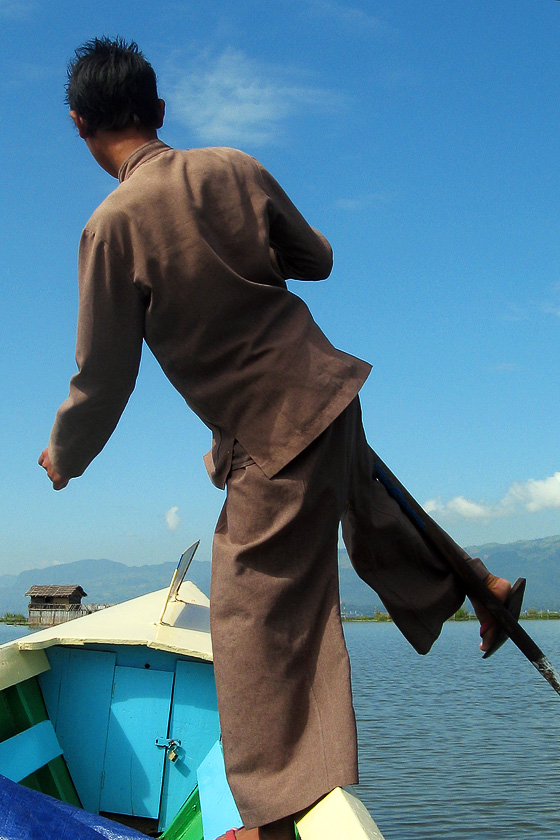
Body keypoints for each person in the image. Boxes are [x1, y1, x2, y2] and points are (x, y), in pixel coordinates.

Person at [39, 37, 511, 840]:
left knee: (251, 618)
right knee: (374, 513)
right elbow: (316, 257)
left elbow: (104, 373)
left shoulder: (111, 227)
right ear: (157, 111)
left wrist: (65, 454)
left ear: (81, 125)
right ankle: (482, 587)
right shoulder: (233, 166)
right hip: (327, 389)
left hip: (270, 429)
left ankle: (267, 819)